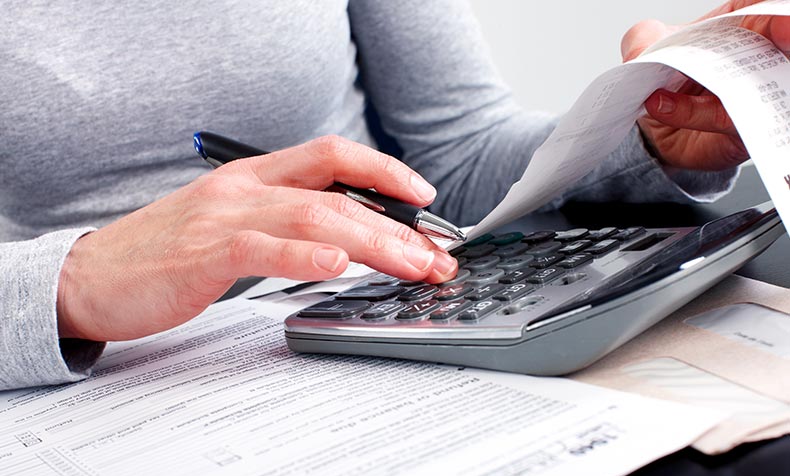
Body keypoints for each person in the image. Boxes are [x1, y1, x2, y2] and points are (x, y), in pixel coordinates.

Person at [1, 0, 787, 390]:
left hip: (380, 332)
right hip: (84, 396)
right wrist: (71, 283)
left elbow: (463, 150)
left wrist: (651, 130)